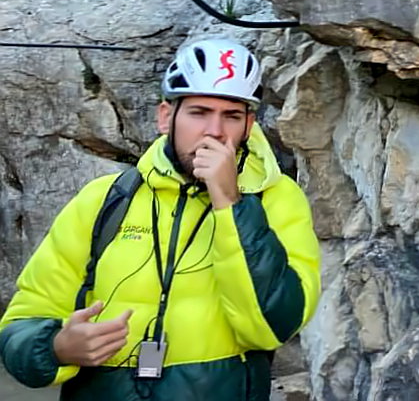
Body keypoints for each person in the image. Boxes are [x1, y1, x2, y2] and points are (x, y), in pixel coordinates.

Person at [0, 37, 320, 399]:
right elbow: (20, 325)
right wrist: (55, 347)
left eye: (231, 116)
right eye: (199, 112)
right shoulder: (106, 198)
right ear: (166, 117)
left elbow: (273, 326)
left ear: (248, 125)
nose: (214, 131)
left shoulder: (276, 200)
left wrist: (231, 204)